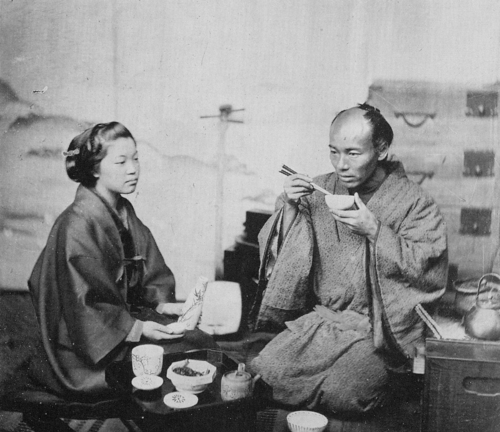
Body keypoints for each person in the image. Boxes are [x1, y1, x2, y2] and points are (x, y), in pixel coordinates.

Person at [249, 104, 448, 415]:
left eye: (353, 154)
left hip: (378, 334)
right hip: (324, 321)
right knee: (263, 372)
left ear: (381, 150)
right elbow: (287, 255)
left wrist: (375, 230)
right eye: (334, 152)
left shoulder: (416, 204)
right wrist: (289, 206)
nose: (341, 165)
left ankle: (385, 381)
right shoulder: (320, 190)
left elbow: (427, 269)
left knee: (345, 393)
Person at [27, 122, 217, 400]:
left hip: (119, 324)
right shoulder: (76, 224)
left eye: (136, 158)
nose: (133, 169)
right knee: (190, 353)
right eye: (121, 161)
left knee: (199, 343)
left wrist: (164, 304)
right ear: (94, 169)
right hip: (87, 344)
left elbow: (148, 272)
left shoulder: (124, 210)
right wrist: (137, 328)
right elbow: (84, 305)